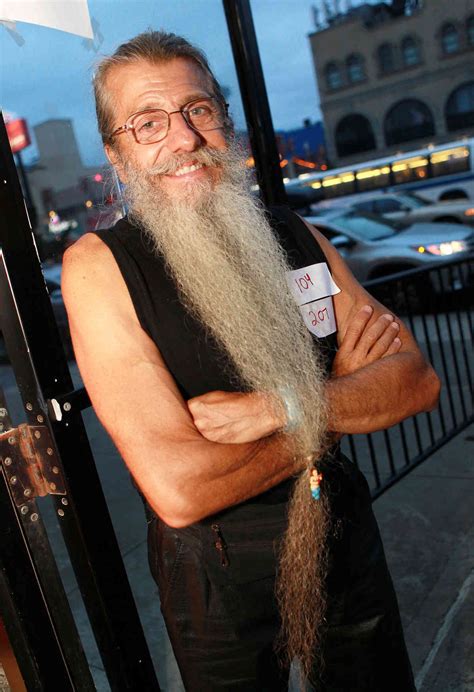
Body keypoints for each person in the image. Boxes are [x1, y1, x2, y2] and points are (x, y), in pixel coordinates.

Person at [62, 30, 440, 691]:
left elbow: (416, 381)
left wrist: (282, 407)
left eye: (198, 110)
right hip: (217, 565)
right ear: (118, 154)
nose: (183, 140)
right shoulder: (100, 268)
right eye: (148, 123)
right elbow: (181, 490)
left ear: (225, 122)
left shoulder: (295, 234)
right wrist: (344, 402)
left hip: (341, 529)